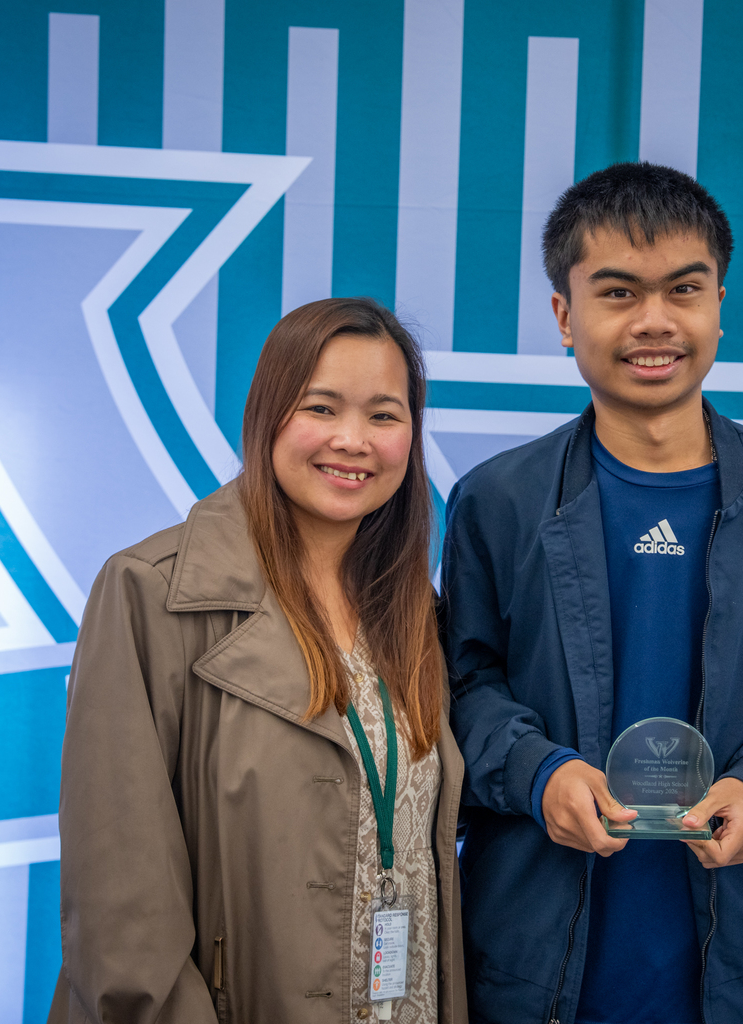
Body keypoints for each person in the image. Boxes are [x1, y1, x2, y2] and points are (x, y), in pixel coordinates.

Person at [440, 163, 743, 1024]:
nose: (654, 322)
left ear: (721, 303)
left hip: (725, 966)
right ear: (565, 317)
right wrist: (540, 774)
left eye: (684, 289)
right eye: (617, 292)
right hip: (524, 967)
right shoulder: (498, 503)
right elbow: (459, 688)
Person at [50, 298, 467, 1024]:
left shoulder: (415, 616)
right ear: (267, 415)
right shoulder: (150, 593)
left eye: (383, 415)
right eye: (321, 407)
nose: (352, 439)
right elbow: (121, 909)